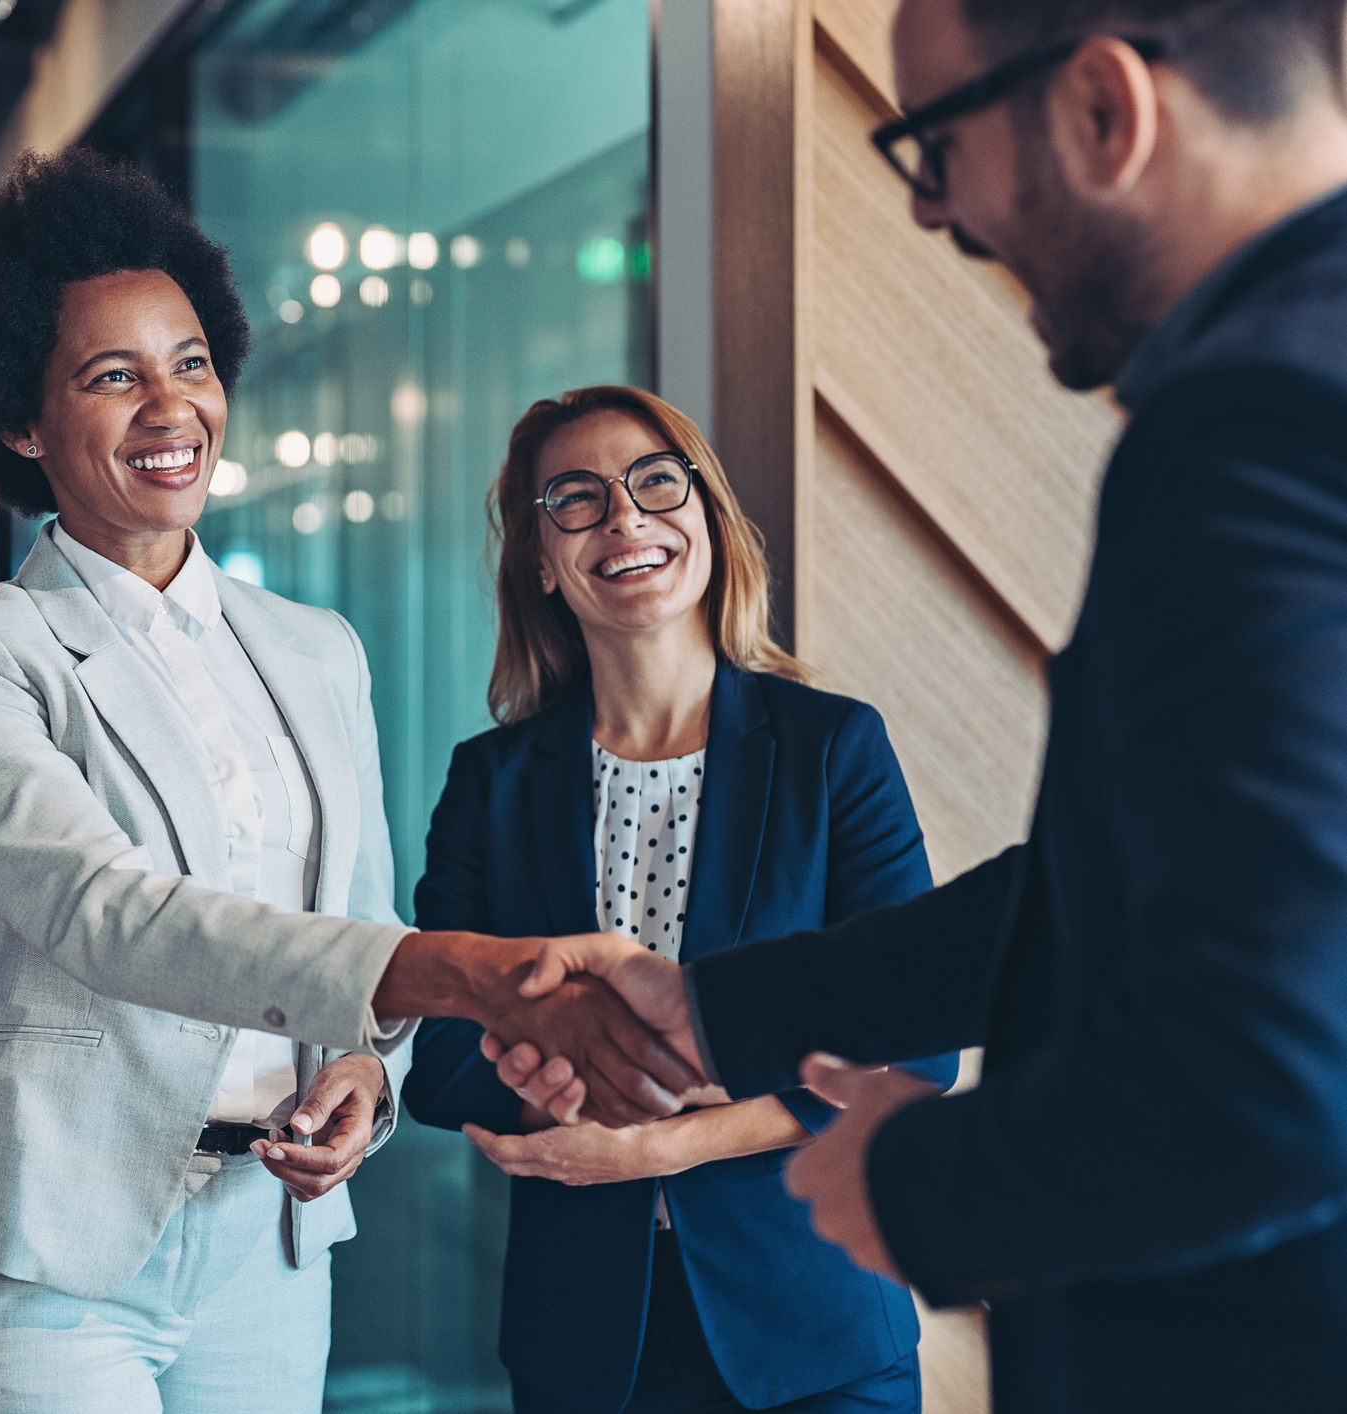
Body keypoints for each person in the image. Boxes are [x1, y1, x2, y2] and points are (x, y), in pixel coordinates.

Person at [495, 1, 1347, 1408]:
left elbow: (1277, 1055)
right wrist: (711, 1004)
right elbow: (1120, 880)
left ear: (1099, 108)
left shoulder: (1252, 426)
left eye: (931, 143)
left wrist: (916, 1180)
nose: (934, 209)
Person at [0, 149, 709, 1414]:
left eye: (192, 362)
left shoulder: (315, 649)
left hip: (269, 1243)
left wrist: (368, 1081)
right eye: (114, 376)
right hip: (51, 1245)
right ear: (20, 419)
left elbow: (357, 931)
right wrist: (463, 968)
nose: (171, 409)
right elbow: (111, 914)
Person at [405, 385, 955, 1414]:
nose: (624, 519)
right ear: (538, 557)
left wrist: (653, 1140)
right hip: (585, 1338)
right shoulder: (492, 780)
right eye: (575, 498)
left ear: (706, 515)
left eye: (657, 483)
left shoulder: (832, 749)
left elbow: (914, 1047)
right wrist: (617, 1087)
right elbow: (435, 1048)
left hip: (816, 1329)